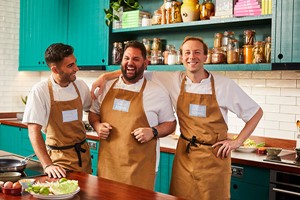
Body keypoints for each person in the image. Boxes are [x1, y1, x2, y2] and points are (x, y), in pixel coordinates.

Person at [90, 36, 263, 200]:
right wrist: (105, 76)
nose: (191, 57)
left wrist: (237, 142)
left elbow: (256, 113)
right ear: (181, 57)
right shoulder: (173, 79)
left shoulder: (224, 85)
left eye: (196, 52)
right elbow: (134, 69)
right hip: (185, 156)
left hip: (214, 157)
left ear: (205, 56)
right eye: (187, 52)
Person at [88, 40, 176, 190]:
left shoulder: (157, 92)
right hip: (109, 166)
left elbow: (171, 124)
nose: (130, 63)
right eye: (126, 58)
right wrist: (97, 125)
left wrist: (153, 131)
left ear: (145, 63)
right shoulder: (107, 86)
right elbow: (93, 113)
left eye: (136, 59)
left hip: (140, 169)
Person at [22, 43, 92, 178]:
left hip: (83, 157)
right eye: (70, 66)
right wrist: (47, 164)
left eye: (75, 63)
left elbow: (92, 111)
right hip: (58, 162)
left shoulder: (80, 86)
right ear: (55, 69)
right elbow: (33, 131)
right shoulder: (40, 91)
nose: (76, 68)